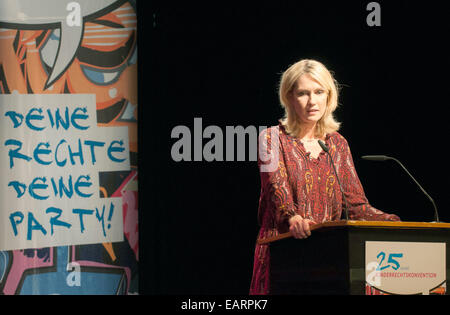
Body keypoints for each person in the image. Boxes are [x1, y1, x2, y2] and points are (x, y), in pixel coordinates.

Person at [249, 59, 400, 295]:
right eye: (303, 93)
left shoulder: (338, 144)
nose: (312, 101)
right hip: (284, 254)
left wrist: (393, 223)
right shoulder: (271, 139)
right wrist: (293, 218)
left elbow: (355, 206)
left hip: (327, 260)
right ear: (289, 97)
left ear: (329, 96)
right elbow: (277, 193)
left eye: (319, 92)